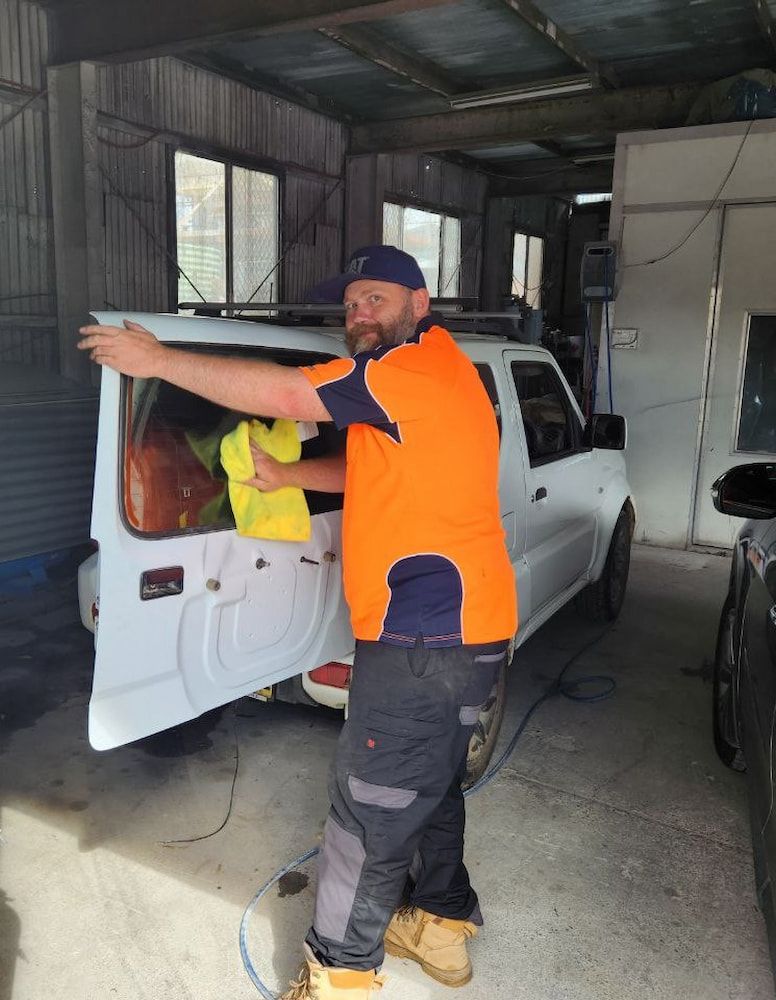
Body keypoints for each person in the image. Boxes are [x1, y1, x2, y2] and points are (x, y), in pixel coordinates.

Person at [78, 245, 518, 1000]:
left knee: (369, 806)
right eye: (350, 305)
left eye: (374, 299)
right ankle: (442, 928)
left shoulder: (406, 371)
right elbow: (372, 465)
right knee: (430, 783)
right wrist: (286, 476)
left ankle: (341, 972)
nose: (358, 316)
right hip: (463, 631)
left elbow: (288, 395)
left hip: (424, 636)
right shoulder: (435, 376)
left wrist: (160, 360)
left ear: (420, 302)